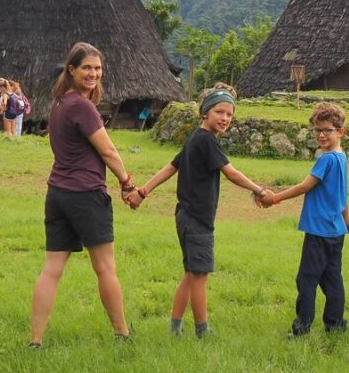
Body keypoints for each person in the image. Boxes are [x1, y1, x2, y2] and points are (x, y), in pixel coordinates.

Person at [127, 83, 272, 339]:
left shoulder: (195, 138)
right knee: (200, 275)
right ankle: (203, 331)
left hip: (185, 216)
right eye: (219, 112)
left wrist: (142, 192)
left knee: (191, 274)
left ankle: (174, 328)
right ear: (205, 112)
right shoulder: (207, 141)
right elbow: (231, 173)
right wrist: (259, 190)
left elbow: (170, 168)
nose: (225, 118)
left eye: (229, 114)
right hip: (197, 220)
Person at [29, 42, 136, 348]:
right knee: (105, 267)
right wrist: (127, 183)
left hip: (58, 194)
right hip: (86, 195)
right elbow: (108, 151)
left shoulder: (60, 103)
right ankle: (122, 333)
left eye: (98, 68)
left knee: (51, 270)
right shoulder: (82, 106)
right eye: (87, 68)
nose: (93, 73)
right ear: (72, 70)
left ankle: (36, 341)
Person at [257, 102, 349, 337]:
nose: (321, 135)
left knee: (307, 279)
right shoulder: (342, 158)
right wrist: (347, 223)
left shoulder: (327, 160)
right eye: (317, 130)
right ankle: (335, 324)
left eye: (327, 130)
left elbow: (305, 186)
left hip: (319, 231)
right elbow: (344, 196)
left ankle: (302, 327)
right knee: (332, 279)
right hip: (336, 231)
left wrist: (275, 198)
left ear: (340, 131)